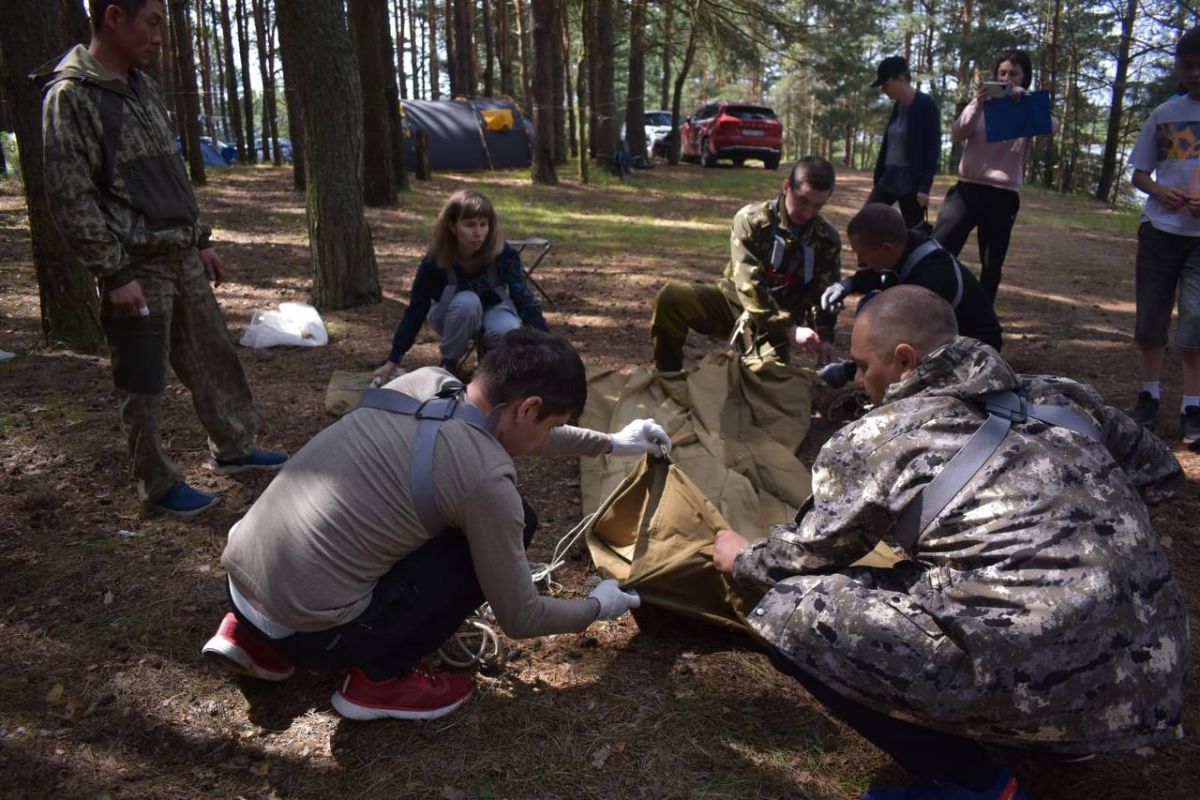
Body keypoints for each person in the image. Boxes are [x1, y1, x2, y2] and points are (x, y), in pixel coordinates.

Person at [714, 286, 1188, 800]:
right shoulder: (1062, 396)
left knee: (789, 607)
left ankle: (974, 781)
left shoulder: (881, 436)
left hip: (1040, 665)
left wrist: (743, 557)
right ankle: (1063, 738)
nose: (857, 380)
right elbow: (1162, 473)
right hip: (1154, 667)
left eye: (860, 365)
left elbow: (807, 554)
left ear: (902, 361)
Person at [203, 330, 672, 721]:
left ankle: (249, 636)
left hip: (240, 583)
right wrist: (597, 606)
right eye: (551, 424)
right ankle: (380, 680)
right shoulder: (485, 480)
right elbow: (521, 617)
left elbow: (518, 434)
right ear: (528, 408)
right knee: (513, 526)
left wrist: (612, 443)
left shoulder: (428, 383)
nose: (547, 436)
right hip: (312, 637)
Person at [38, 0, 286, 518]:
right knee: (142, 379)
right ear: (113, 17)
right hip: (135, 266)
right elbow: (70, 196)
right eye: (151, 24)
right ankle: (156, 483)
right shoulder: (72, 95)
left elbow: (166, 173)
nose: (159, 38)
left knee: (214, 357)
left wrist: (199, 239)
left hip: (179, 254)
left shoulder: (139, 85)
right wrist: (114, 271)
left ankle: (235, 448)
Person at [650, 155, 843, 372]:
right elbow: (749, 286)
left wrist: (825, 337)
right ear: (787, 187)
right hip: (733, 306)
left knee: (768, 379)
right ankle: (667, 378)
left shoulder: (826, 239)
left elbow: (824, 295)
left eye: (818, 205)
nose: (807, 212)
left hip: (774, 327)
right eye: (803, 201)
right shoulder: (752, 220)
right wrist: (790, 330)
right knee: (672, 298)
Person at [373, 190, 548, 383]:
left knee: (507, 328)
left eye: (483, 225)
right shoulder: (436, 260)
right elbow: (416, 309)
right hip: (452, 315)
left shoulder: (503, 253)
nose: (478, 233)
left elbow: (523, 297)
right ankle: (450, 364)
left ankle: (492, 370)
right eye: (469, 225)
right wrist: (393, 360)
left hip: (494, 308)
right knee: (468, 302)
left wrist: (549, 343)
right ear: (452, 226)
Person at [1125, 25, 1200, 448]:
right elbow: (1139, 172)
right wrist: (1160, 189)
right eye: (1187, 66)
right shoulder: (1164, 115)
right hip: (1160, 231)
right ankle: (1149, 396)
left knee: (1196, 320)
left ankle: (1193, 406)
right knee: (1152, 317)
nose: (1195, 74)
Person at [933, 49, 1056, 304]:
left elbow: (1052, 127)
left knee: (992, 263)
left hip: (1003, 196)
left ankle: (982, 315)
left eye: (1013, 73)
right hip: (967, 190)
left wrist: (1027, 102)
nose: (1007, 78)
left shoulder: (1027, 106)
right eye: (1002, 72)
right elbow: (958, 132)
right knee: (939, 250)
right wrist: (977, 104)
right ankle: (930, 299)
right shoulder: (982, 103)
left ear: (1024, 77)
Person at [823, 203, 1002, 350]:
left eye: (863, 255)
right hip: (943, 338)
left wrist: (851, 371)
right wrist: (849, 284)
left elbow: (905, 342)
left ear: (887, 248)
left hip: (976, 350)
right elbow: (882, 274)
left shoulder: (930, 279)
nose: (860, 262)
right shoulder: (906, 247)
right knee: (871, 305)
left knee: (878, 317)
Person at [867, 56, 941, 230]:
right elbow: (888, 145)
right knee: (867, 222)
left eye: (885, 84)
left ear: (901, 78)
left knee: (914, 234)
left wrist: (924, 187)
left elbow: (932, 149)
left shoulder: (926, 105)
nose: (883, 90)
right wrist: (878, 177)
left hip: (911, 184)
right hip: (888, 179)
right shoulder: (897, 107)